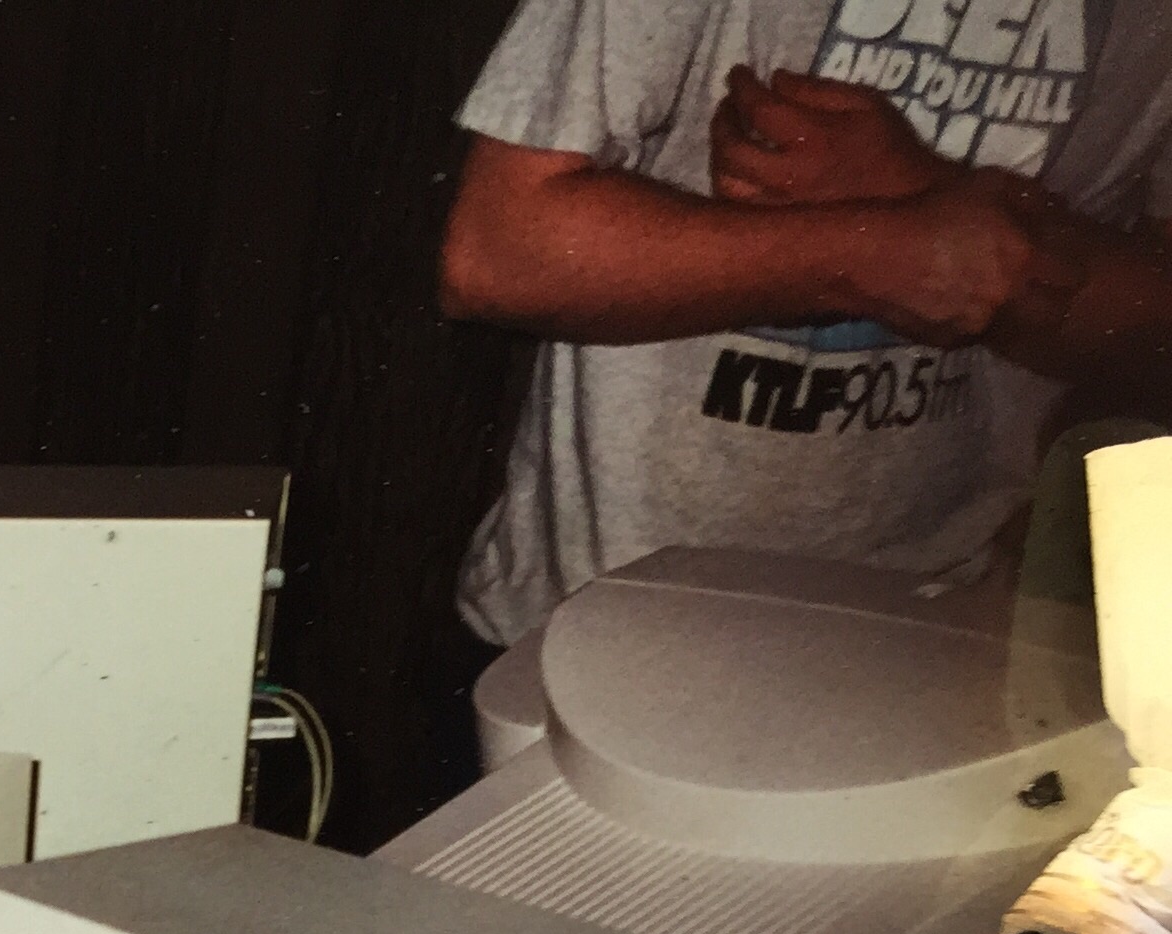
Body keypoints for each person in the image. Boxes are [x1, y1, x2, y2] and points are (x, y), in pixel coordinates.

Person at [437, 0, 1172, 651]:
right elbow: (497, 252)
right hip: (605, 622)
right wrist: (867, 246)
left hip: (951, 631)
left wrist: (918, 192)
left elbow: (1151, 333)